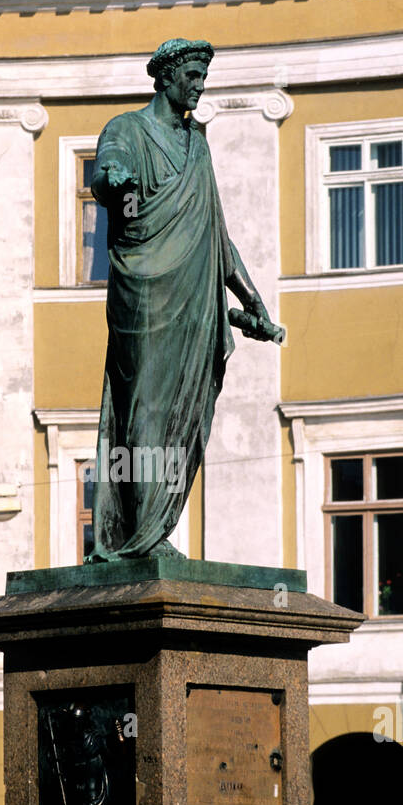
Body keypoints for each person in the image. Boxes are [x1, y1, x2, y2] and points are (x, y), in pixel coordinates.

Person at [87, 37, 280, 561]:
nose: (199, 84)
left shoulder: (199, 144)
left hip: (195, 295)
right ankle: (139, 537)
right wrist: (114, 181)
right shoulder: (127, 130)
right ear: (165, 77)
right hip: (146, 289)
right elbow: (107, 176)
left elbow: (216, 235)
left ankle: (155, 531)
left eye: (203, 75)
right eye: (192, 75)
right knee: (145, 406)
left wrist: (253, 301)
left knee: (186, 412)